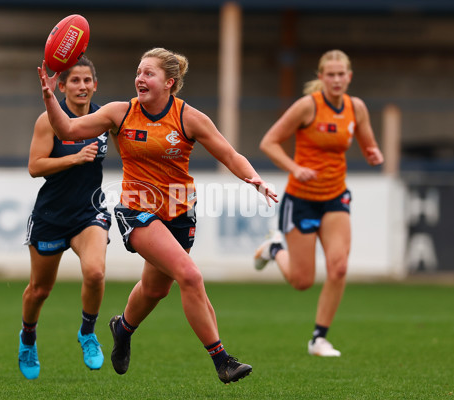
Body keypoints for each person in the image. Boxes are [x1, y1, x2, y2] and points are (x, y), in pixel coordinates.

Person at [38, 47, 278, 384]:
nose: (139, 78)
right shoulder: (119, 113)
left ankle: (121, 329)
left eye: (148, 73)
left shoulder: (188, 117)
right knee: (190, 276)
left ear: (170, 82)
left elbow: (229, 153)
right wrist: (49, 96)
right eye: (138, 72)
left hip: (180, 213)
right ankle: (222, 359)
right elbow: (66, 130)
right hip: (137, 210)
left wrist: (256, 180)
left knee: (154, 290)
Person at [253, 49, 383, 357]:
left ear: (349, 77)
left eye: (342, 74)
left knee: (338, 268)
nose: (337, 80)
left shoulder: (356, 108)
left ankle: (318, 339)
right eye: (331, 74)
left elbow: (368, 143)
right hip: (301, 200)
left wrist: (373, 153)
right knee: (302, 281)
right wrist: (295, 168)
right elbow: (268, 142)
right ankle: (274, 248)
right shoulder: (307, 107)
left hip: (336, 197)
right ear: (321, 77)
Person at [19, 56, 113, 380]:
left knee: (96, 272)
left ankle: (88, 332)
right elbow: (35, 166)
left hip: (89, 212)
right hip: (51, 215)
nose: (82, 86)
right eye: (75, 81)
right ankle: (28, 337)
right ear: (61, 86)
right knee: (39, 290)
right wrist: (74, 158)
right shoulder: (48, 120)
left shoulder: (104, 119)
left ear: (95, 84)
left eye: (88, 80)